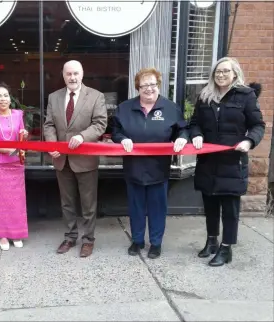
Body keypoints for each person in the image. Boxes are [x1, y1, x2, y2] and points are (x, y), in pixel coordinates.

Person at [189, 57, 265, 266]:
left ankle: (226, 248)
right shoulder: (206, 96)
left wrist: (249, 141)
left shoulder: (246, 96)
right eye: (217, 72)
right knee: (210, 203)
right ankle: (212, 240)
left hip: (233, 162)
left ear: (234, 74)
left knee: (230, 208)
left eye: (225, 71)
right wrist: (196, 134)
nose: (221, 75)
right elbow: (195, 123)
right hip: (208, 161)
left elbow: (258, 125)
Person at [112, 67, 188, 259]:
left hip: (159, 169)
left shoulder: (170, 108)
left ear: (158, 86)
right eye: (144, 85)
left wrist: (183, 138)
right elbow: (115, 132)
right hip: (133, 168)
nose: (149, 88)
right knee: (136, 207)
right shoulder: (124, 108)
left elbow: (183, 129)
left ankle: (156, 243)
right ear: (138, 88)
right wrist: (121, 139)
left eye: (153, 84)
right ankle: (137, 240)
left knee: (157, 208)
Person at [43, 60, 107, 258]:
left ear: (82, 74)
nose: (72, 77)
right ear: (63, 75)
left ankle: (88, 240)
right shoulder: (54, 97)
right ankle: (70, 237)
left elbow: (100, 123)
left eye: (76, 73)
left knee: (88, 204)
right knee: (67, 203)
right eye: (68, 74)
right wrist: (53, 144)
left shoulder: (96, 96)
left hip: (85, 159)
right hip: (62, 159)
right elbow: (49, 124)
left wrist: (81, 136)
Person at [0, 82, 29, 251]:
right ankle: (2, 235)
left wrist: (24, 135)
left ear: (10, 98)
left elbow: (21, 134)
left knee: (17, 201)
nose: (3, 99)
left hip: (17, 164)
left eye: (6, 95)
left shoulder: (18, 114)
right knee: (1, 201)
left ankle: (17, 234)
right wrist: (12, 149)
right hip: (0, 165)